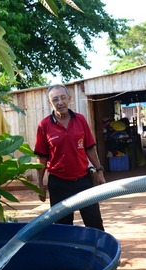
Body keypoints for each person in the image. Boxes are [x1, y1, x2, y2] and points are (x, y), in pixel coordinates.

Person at [34, 84, 105, 230]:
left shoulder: (80, 120)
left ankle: (97, 252)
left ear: (69, 99)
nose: (60, 102)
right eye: (55, 100)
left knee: (95, 223)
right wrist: (40, 184)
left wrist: (99, 171)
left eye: (63, 98)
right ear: (50, 103)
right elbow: (42, 158)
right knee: (63, 228)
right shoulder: (44, 125)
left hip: (83, 181)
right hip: (58, 184)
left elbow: (90, 148)